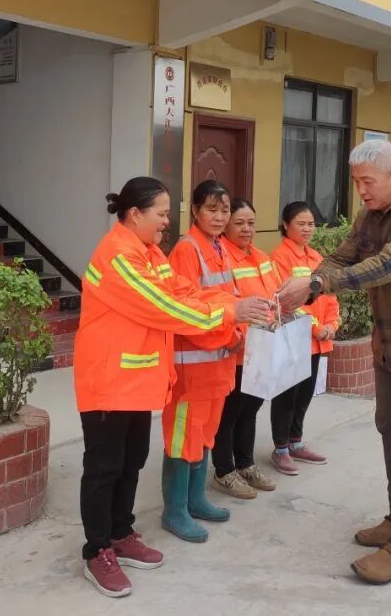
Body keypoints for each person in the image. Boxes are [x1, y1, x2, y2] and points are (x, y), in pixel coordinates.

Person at [74, 177, 272, 599]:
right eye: (162, 213)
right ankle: (97, 550)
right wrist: (230, 313)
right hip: (108, 381)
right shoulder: (118, 256)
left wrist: (231, 305)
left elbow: (184, 290)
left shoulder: (148, 251)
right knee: (105, 467)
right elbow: (166, 308)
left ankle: (121, 533)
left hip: (135, 379)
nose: (167, 221)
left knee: (132, 460)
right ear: (135, 214)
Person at [277, 139, 391, 586]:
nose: (360, 190)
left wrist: (316, 286)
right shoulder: (369, 215)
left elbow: (385, 265)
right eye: (356, 182)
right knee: (390, 431)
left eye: (367, 181)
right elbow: (343, 256)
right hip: (388, 343)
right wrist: (309, 280)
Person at [162, 180, 243, 541]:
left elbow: (231, 300)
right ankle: (175, 511)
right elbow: (186, 311)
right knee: (183, 437)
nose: (220, 216)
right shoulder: (187, 249)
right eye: (212, 209)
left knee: (205, 433)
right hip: (192, 367)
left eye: (224, 210)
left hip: (218, 363)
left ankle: (196, 499)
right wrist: (229, 335)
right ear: (195, 211)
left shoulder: (219, 247)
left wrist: (238, 333)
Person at [210, 198, 278, 498]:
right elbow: (224, 302)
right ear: (226, 226)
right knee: (230, 412)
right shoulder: (223, 258)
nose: (246, 229)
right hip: (237, 349)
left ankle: (246, 464)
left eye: (251, 223)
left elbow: (275, 295)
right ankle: (224, 471)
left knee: (250, 409)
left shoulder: (261, 256)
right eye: (239, 223)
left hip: (263, 346)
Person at [269, 202, 340, 476]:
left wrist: (332, 323)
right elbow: (285, 301)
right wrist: (316, 327)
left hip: (317, 340)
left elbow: (329, 294)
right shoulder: (279, 258)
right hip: (294, 339)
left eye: (311, 223)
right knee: (287, 395)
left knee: (305, 394)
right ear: (286, 225)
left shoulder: (316, 257)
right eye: (301, 223)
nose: (308, 228)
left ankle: (296, 442)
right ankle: (280, 449)